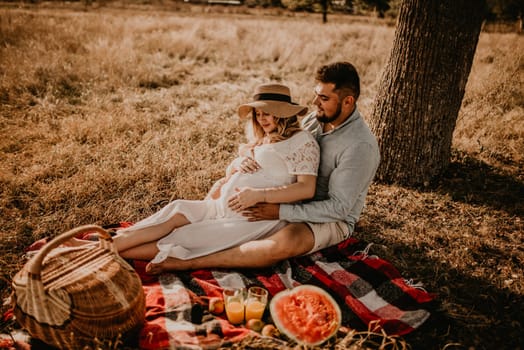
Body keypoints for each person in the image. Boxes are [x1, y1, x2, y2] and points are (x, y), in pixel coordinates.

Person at [144, 61, 380, 274]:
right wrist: (245, 155)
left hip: (328, 217)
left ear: (348, 101)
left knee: (284, 242)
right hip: (291, 197)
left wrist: (279, 211)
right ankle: (198, 228)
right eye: (316, 95)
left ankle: (190, 262)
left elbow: (338, 208)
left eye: (324, 98)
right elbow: (273, 144)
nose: (315, 103)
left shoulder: (360, 147)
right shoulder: (316, 120)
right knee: (220, 191)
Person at [101, 83, 320, 273]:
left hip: (251, 219)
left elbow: (305, 189)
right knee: (177, 209)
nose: (261, 119)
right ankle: (106, 246)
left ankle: (103, 253)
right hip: (218, 207)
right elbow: (236, 172)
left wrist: (258, 195)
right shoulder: (264, 139)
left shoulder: (302, 141)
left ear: (283, 113)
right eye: (258, 114)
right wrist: (237, 163)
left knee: (184, 237)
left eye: (267, 113)